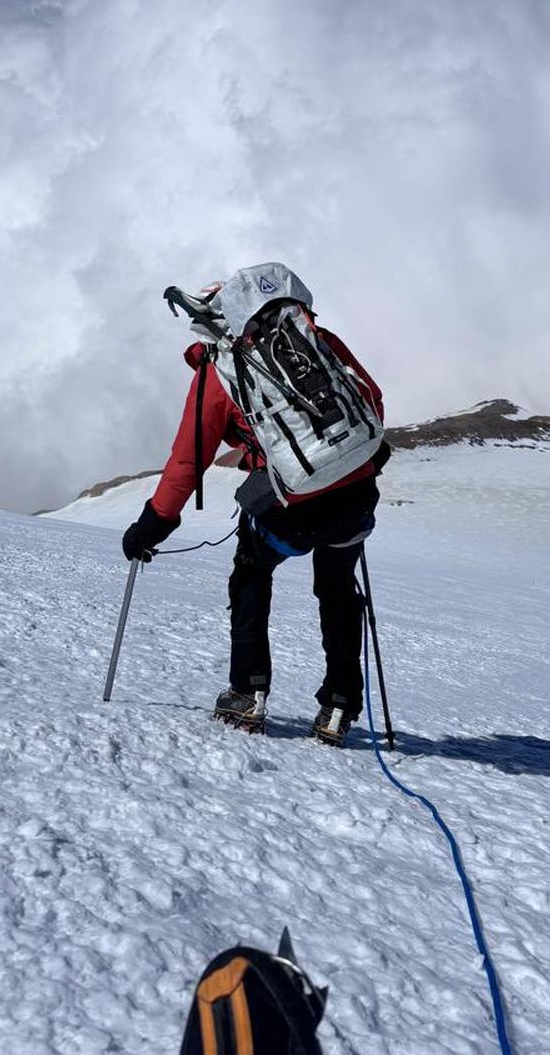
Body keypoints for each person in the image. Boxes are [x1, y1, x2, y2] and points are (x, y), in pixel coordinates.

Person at [121, 269, 386, 744]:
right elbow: (371, 401)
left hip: (290, 509)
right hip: (353, 494)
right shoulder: (315, 340)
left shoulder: (217, 375)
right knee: (338, 590)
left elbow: (187, 461)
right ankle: (339, 706)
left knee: (250, 575)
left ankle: (247, 694)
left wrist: (153, 524)